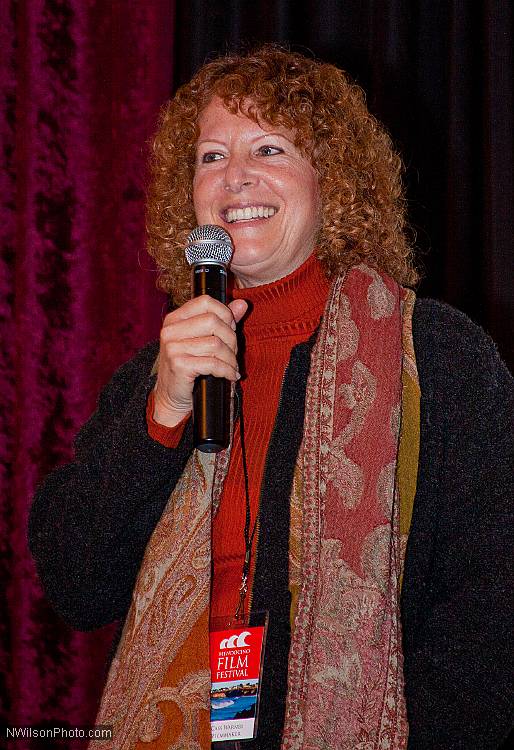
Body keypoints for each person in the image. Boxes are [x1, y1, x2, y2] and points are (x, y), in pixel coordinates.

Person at [29, 46, 513, 749]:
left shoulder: (439, 356)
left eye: (270, 147)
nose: (236, 177)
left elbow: (491, 620)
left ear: (332, 179)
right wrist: (162, 415)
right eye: (211, 157)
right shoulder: (156, 372)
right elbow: (75, 584)